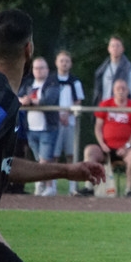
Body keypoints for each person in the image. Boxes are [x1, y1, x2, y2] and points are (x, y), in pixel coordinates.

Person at [0, 9, 104, 262]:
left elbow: (5, 165)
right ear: (29, 49)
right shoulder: (0, 97)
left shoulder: (5, 96)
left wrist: (66, 170)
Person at [79, 78, 131, 197]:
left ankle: (129, 189)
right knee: (90, 150)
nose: (121, 91)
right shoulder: (105, 104)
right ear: (113, 90)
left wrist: (127, 146)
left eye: (123, 88)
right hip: (106, 147)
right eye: (118, 88)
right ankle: (89, 187)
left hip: (126, 149)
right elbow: (98, 127)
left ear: (128, 91)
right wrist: (102, 144)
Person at [18, 57, 58, 198]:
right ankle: (42, 184)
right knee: (39, 159)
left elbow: (48, 100)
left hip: (47, 128)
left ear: (47, 69)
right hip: (31, 128)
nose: (39, 70)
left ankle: (47, 186)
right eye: (36, 68)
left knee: (45, 159)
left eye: (42, 68)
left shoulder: (52, 84)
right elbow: (18, 97)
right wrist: (24, 100)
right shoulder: (28, 84)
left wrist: (30, 101)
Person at [50, 50, 84, 196]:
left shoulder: (75, 81)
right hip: (54, 123)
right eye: (61, 61)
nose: (64, 64)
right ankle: (52, 186)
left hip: (70, 123)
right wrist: (58, 114)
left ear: (70, 64)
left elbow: (78, 100)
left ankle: (72, 187)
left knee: (71, 154)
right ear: (56, 63)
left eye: (67, 61)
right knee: (54, 155)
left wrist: (67, 114)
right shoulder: (51, 80)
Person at [91, 35, 131, 105]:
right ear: (108, 49)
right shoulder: (101, 71)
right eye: (113, 46)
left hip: (123, 108)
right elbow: (98, 93)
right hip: (105, 108)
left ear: (122, 49)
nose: (115, 48)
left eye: (118, 46)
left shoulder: (130, 70)